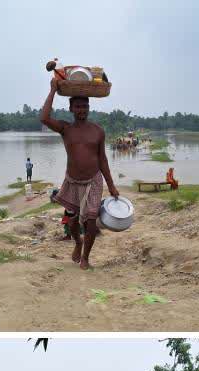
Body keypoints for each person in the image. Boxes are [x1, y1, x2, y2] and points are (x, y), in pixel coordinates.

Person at [41, 77, 119, 270]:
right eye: (78, 107)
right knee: (73, 222)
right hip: (72, 181)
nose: (82, 110)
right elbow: (44, 118)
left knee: (91, 222)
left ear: (89, 108)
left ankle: (86, 258)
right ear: (71, 109)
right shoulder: (65, 129)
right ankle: (77, 242)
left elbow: (102, 160)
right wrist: (52, 90)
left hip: (93, 180)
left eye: (85, 106)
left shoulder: (98, 131)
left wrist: (111, 185)